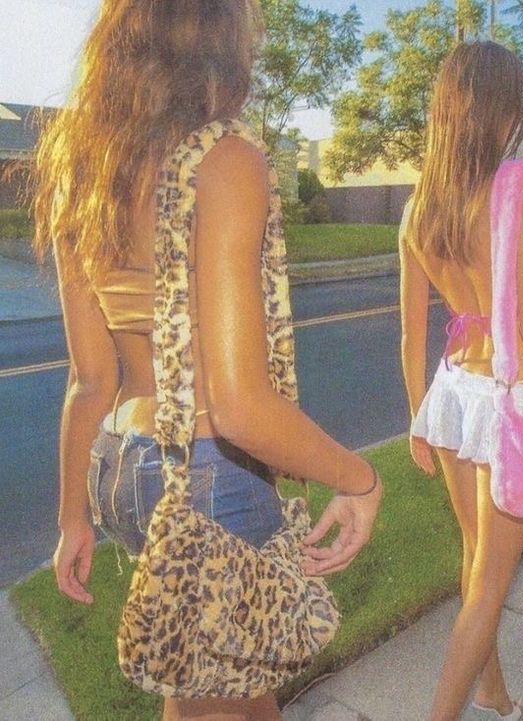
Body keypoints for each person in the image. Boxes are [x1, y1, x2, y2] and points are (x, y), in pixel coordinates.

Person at [33, 2, 381, 720]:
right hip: (202, 478)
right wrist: (360, 476)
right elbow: (239, 405)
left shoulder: (84, 167)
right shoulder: (225, 160)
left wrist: (74, 516)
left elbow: (91, 378)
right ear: (220, 41)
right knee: (204, 695)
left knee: (238, 680)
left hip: (119, 469)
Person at [400, 43, 523, 721]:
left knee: (474, 556)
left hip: (453, 392)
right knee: (491, 578)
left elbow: (411, 334)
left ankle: (491, 691)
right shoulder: (519, 181)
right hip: (504, 398)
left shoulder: (417, 207)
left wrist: (416, 418)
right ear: (503, 108)